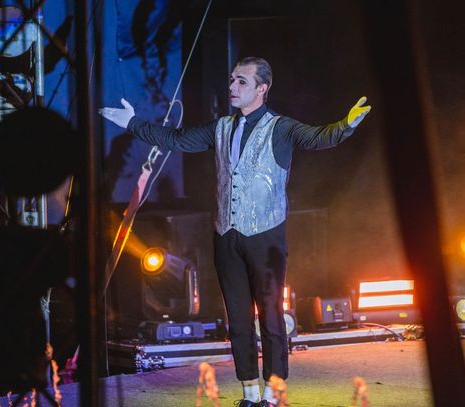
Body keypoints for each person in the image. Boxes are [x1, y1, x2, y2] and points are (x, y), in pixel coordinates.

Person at [100, 56, 370, 407]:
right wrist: (133, 123)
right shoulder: (221, 127)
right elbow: (177, 140)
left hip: (266, 236)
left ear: (262, 88)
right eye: (231, 79)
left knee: (270, 317)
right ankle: (250, 393)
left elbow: (319, 137)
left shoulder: (281, 127)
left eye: (242, 81)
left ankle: (273, 393)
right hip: (226, 235)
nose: (232, 86)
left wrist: (345, 125)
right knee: (238, 319)